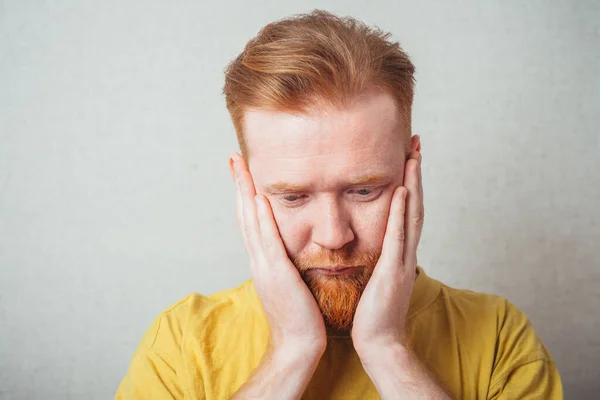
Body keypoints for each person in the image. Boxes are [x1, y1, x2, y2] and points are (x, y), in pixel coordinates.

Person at [116, 10, 562, 399]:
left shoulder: (499, 335)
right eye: (293, 196)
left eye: (364, 190)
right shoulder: (182, 341)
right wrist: (291, 352)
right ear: (244, 184)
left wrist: (388, 350)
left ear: (412, 168)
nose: (334, 235)